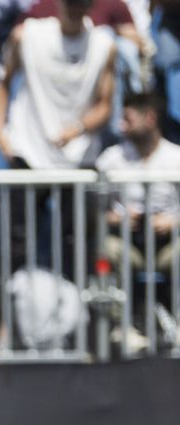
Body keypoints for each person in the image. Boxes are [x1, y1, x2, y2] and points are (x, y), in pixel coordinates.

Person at [0, 0, 117, 273]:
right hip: (29, 148)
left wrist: (79, 128)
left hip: (78, 157)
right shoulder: (27, 35)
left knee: (73, 244)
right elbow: (3, 84)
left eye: (81, 4)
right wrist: (1, 134)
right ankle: (10, 299)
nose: (75, 9)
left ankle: (72, 299)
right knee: (17, 241)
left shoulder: (104, 45)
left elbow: (105, 105)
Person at [96, 91, 180, 350]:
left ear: (150, 119)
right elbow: (91, 210)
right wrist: (114, 218)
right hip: (127, 242)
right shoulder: (111, 159)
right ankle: (121, 327)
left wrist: (174, 221)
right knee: (106, 251)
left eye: (128, 119)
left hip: (167, 243)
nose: (121, 126)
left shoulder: (176, 157)